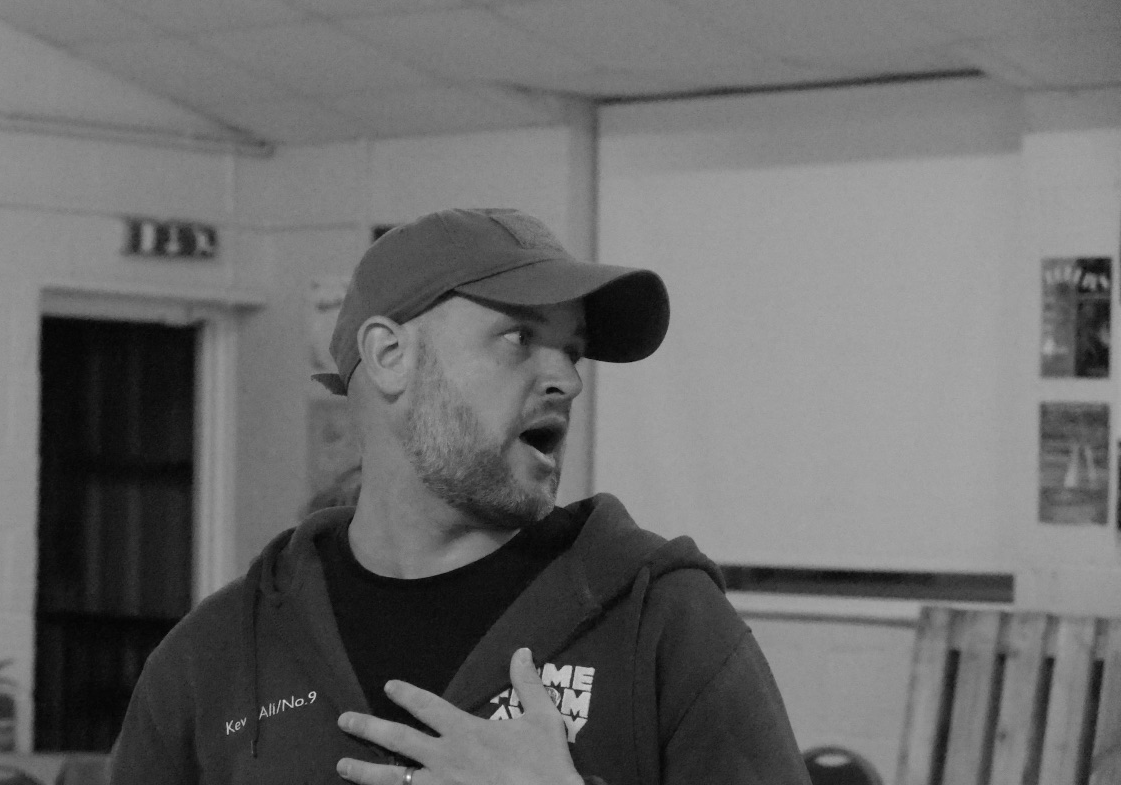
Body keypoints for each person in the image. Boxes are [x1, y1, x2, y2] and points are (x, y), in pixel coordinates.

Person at [109, 208, 809, 785]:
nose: (568, 379)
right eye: (519, 337)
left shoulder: (666, 626)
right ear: (390, 357)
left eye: (572, 349)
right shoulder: (213, 658)